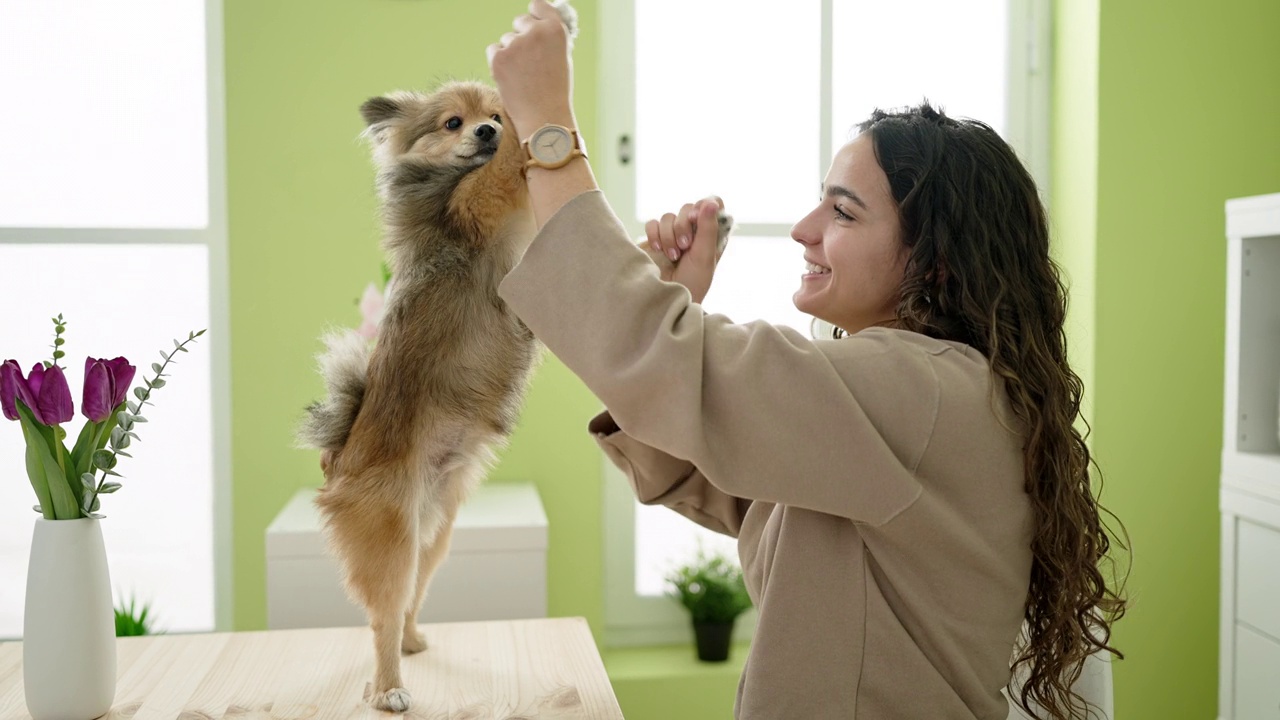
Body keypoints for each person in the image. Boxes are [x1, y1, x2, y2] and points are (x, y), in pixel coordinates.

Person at [486, 2, 1126, 718]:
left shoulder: (921, 391)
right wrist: (673, 308)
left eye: (844, 213)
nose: (803, 229)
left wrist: (547, 131)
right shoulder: (930, 390)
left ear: (936, 264)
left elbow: (659, 358)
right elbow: (742, 491)